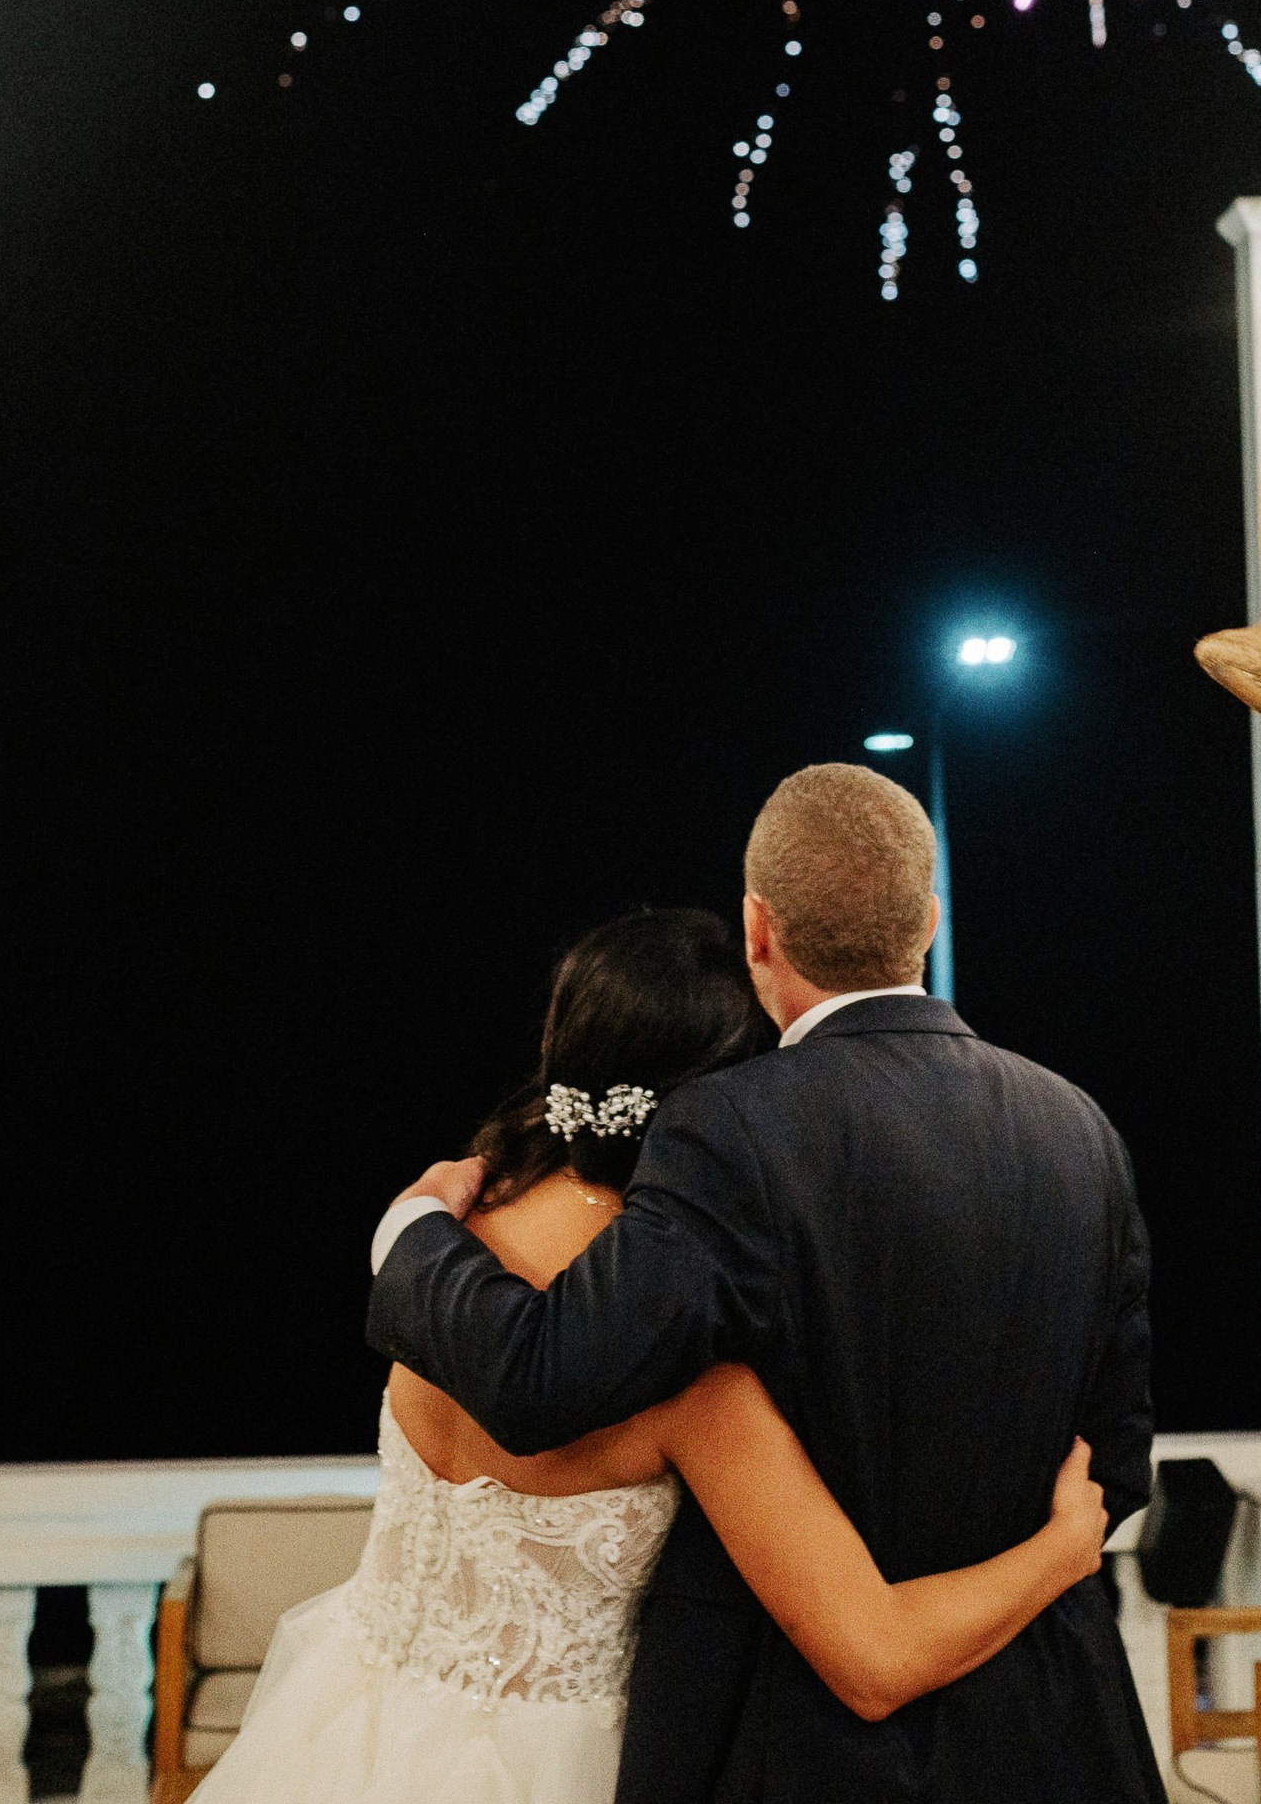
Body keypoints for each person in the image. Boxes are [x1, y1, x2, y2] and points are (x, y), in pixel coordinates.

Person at [372, 763, 1162, 1804]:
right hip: (1052, 1725)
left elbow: (542, 1379)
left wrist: (410, 1231)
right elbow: (1116, 1462)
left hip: (808, 1744)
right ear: (927, 921)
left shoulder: (731, 1125)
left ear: (757, 931)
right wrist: (1054, 1553)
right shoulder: (1078, 1128)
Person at [198, 904, 1112, 1800]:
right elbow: (877, 1657)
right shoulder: (678, 1356)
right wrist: (1065, 1548)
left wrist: (411, 1220)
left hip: (348, 1729)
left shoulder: (452, 1233)